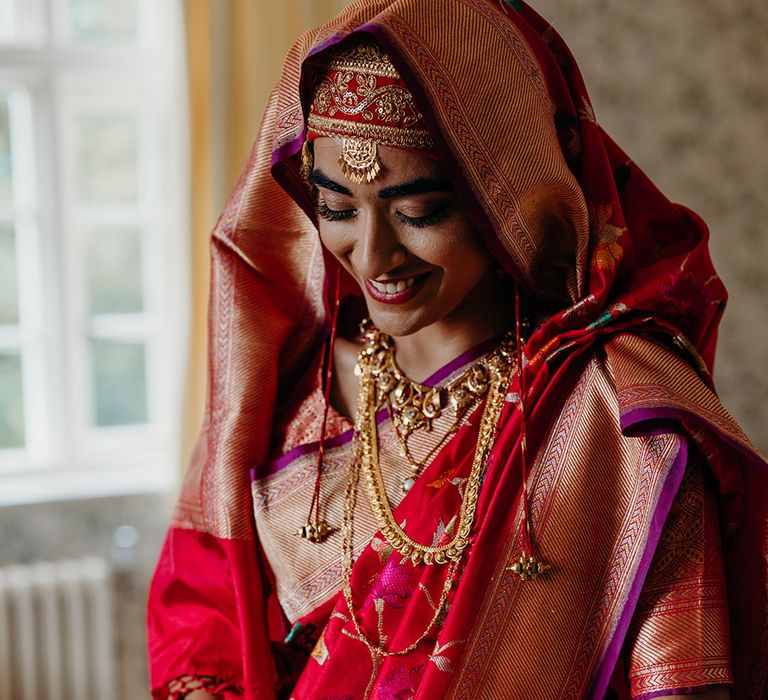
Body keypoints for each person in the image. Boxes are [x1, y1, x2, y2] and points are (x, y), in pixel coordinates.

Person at [147, 1, 768, 698]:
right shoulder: (291, 390)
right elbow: (201, 616)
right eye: (337, 209)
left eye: (419, 212)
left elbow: (685, 681)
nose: (373, 255)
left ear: (512, 197)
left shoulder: (616, 412)